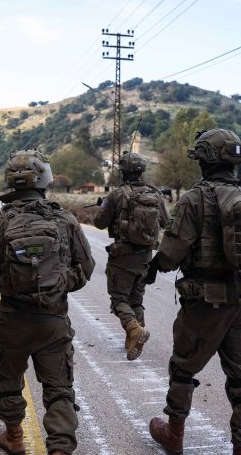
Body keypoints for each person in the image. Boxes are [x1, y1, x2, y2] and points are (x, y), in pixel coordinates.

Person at [145, 129, 241, 455]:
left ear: (204, 158)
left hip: (204, 305)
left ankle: (174, 434)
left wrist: (154, 267)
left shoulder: (195, 198)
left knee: (182, 369)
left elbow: (170, 255)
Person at [0, 149, 95, 455]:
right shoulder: (64, 218)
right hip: (53, 319)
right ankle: (60, 448)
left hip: (12, 317)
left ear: (11, 180)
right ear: (45, 178)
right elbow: (86, 267)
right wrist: (59, 285)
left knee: (9, 377)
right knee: (59, 386)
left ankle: (15, 437)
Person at [93, 151, 168, 360]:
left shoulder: (116, 194)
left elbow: (99, 222)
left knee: (119, 299)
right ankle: (133, 338)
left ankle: (134, 330)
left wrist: (104, 207)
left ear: (123, 171)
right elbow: (166, 223)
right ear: (142, 171)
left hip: (122, 256)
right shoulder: (156, 195)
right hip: (145, 256)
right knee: (136, 299)